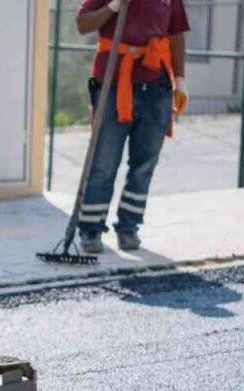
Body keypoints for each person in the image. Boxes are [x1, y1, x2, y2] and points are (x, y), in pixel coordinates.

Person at [76, 0, 189, 253]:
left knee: (144, 163)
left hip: (157, 86)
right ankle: (90, 229)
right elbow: (83, 24)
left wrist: (180, 79)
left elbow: (176, 33)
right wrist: (115, 6)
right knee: (104, 161)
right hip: (114, 84)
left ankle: (129, 228)